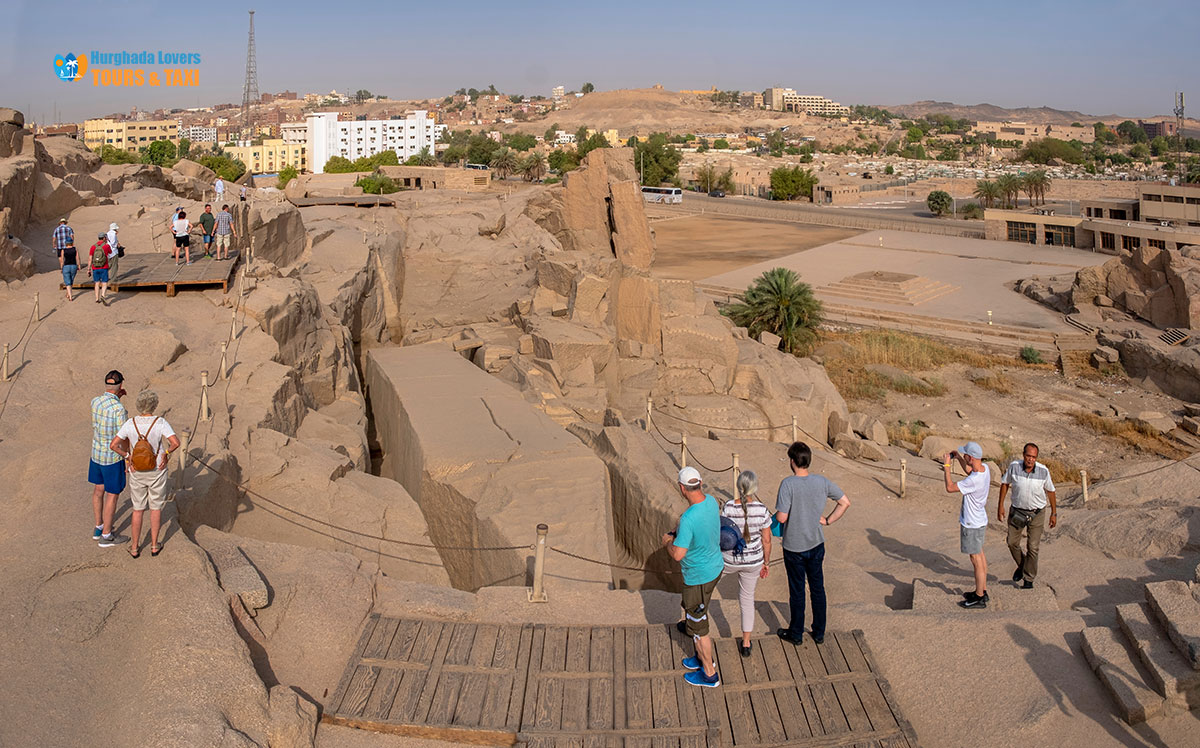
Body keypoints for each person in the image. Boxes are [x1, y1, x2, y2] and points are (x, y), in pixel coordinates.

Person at [776, 441, 850, 646]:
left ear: (792, 462)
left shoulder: (788, 484)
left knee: (797, 590)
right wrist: (827, 520)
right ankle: (819, 632)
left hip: (794, 546)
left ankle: (796, 632)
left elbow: (781, 518)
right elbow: (845, 502)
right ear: (808, 460)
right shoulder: (821, 481)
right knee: (818, 588)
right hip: (816, 542)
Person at [664, 467, 723, 688]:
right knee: (698, 613)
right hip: (714, 568)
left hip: (698, 576)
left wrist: (668, 542)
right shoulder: (711, 502)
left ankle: (709, 673)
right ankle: (699, 658)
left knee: (699, 629)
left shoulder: (688, 518)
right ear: (699, 483)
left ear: (682, 488)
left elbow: (678, 555)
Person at [110, 390, 179, 558]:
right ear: (154, 405)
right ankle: (154, 545)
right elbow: (175, 443)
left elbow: (114, 445)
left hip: (137, 470)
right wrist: (166, 454)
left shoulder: (130, 423)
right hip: (157, 469)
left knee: (138, 509)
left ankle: (134, 547)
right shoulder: (160, 422)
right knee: (155, 508)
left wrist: (128, 457)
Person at [722, 470, 773, 657]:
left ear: (738, 486)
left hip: (729, 559)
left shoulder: (728, 507)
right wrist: (766, 562)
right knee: (747, 599)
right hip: (753, 561)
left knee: (706, 587)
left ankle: (695, 624)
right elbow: (767, 540)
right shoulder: (762, 509)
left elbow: (723, 532)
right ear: (755, 488)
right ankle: (745, 642)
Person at [997, 443, 1057, 590]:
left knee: (1033, 547)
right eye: (1028, 456)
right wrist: (1000, 506)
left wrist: (1054, 513)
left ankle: (1028, 579)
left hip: (1037, 513)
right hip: (1017, 511)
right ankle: (1023, 565)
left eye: (1034, 457)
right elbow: (1005, 484)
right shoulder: (1014, 466)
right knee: (1012, 542)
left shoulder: (1043, 471)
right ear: (1023, 455)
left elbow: (1051, 491)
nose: (1030, 460)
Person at [945, 441, 991, 609]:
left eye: (965, 454)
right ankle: (982, 590)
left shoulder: (973, 481)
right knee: (980, 555)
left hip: (971, 523)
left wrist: (947, 466)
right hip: (980, 520)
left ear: (970, 457)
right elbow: (970, 469)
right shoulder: (985, 469)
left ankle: (979, 597)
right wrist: (958, 458)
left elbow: (950, 488)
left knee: (975, 559)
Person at [89, 370, 128, 547]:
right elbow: (123, 436)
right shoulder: (119, 409)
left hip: (96, 452)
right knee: (113, 494)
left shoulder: (95, 401)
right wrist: (127, 457)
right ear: (120, 386)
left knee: (99, 489)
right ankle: (107, 535)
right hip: (112, 456)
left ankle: (99, 527)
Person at [56, 220, 79, 301]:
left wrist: (61, 267)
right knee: (71, 280)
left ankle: (70, 296)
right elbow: (77, 258)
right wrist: (79, 265)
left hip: (66, 266)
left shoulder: (57, 229)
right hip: (73, 265)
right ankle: (68, 293)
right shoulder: (75, 249)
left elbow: (62, 260)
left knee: (67, 281)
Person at [88, 233, 111, 304]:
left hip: (95, 267)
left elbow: (90, 258)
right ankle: (103, 295)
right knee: (104, 282)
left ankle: (97, 298)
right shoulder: (106, 246)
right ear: (104, 238)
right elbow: (110, 252)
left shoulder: (93, 247)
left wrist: (88, 269)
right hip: (104, 267)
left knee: (97, 283)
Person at [105, 222, 121, 289]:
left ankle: (103, 276)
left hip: (108, 251)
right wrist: (118, 244)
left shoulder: (107, 234)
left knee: (109, 264)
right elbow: (114, 243)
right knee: (114, 265)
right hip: (113, 251)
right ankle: (113, 278)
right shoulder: (113, 234)